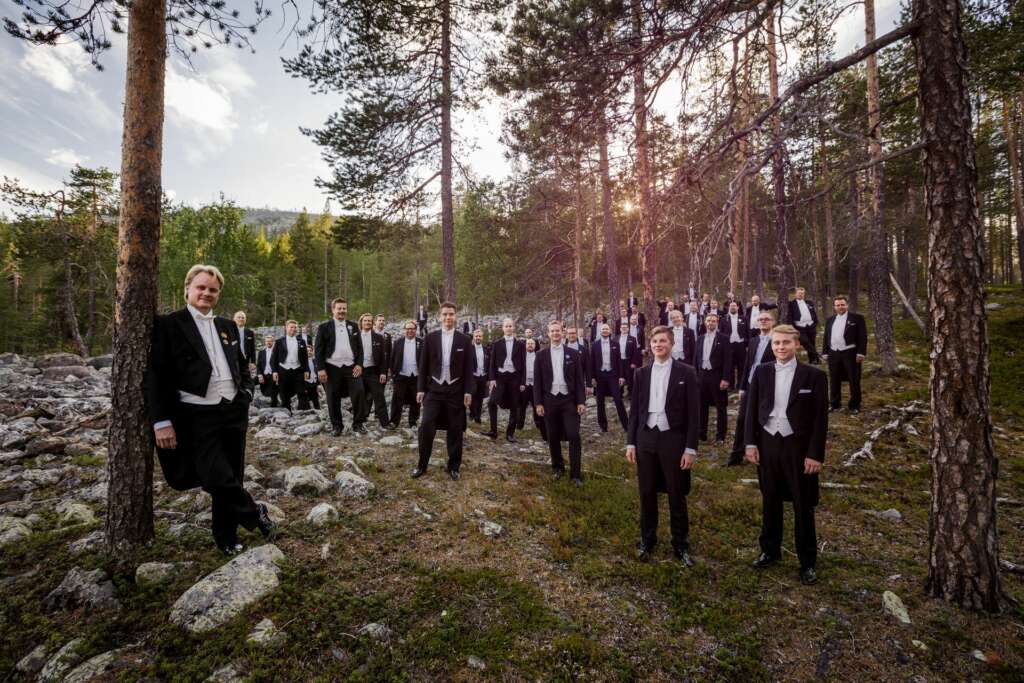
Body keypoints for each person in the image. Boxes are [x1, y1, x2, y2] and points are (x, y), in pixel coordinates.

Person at [146, 264, 275, 556]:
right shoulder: (169, 324)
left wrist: (246, 393)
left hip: (233, 410)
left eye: (213, 290)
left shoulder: (227, 326)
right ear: (187, 289)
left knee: (232, 475)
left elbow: (241, 364)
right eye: (201, 287)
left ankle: (227, 538)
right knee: (215, 475)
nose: (207, 293)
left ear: (218, 294)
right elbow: (157, 375)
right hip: (196, 414)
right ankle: (254, 513)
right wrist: (160, 420)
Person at [744, 324, 828, 585]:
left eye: (786, 342)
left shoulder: (814, 376)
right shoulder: (761, 371)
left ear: (797, 344)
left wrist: (815, 454)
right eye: (776, 343)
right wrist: (750, 443)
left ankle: (807, 561)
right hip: (768, 442)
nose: (781, 347)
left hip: (798, 446)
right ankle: (770, 550)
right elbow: (751, 410)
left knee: (803, 504)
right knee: (770, 499)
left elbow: (820, 420)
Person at [626, 326, 700, 565]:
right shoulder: (641, 373)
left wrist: (690, 448)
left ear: (672, 344)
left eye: (663, 341)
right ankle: (647, 540)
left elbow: (694, 414)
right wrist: (631, 443)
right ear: (650, 345)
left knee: (676, 493)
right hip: (646, 437)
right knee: (646, 492)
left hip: (673, 439)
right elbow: (635, 411)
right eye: (655, 341)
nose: (658, 345)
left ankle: (680, 544)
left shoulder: (686, 372)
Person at [413, 301, 475, 480]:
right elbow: (423, 366)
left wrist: (468, 391)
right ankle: (422, 465)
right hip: (434, 390)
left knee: (455, 429)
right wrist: (420, 389)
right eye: (445, 314)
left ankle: (454, 467)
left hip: (455, 390)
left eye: (451, 314)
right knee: (426, 426)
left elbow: (468, 369)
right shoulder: (430, 338)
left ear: (456, 316)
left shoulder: (465, 340)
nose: (448, 317)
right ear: (440, 317)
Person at [534, 320, 586, 484]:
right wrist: (538, 403)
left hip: (568, 400)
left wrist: (581, 401)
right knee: (553, 435)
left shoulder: (573, 354)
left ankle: (576, 474)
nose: (555, 333)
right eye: (552, 331)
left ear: (562, 333)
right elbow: (537, 381)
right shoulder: (540, 355)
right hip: (549, 400)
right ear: (548, 334)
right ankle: (557, 468)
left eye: (558, 331)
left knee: (573, 435)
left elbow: (579, 379)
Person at [728, 310, 776, 466]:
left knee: (763, 420)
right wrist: (742, 387)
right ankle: (736, 456)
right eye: (760, 319)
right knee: (742, 419)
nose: (763, 321)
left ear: (772, 322)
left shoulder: (777, 340)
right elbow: (748, 365)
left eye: (766, 319)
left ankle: (762, 454)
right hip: (750, 385)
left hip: (768, 386)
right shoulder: (753, 341)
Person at [314, 298, 366, 435]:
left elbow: (360, 348)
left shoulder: (353, 326)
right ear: (333, 310)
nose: (342, 311)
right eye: (339, 308)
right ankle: (337, 426)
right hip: (331, 366)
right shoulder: (324, 327)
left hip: (351, 366)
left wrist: (359, 364)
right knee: (332, 396)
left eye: (344, 308)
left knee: (359, 391)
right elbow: (318, 350)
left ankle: (358, 424)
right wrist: (321, 369)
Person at [822, 295, 867, 413]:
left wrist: (861, 353)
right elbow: (826, 336)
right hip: (833, 353)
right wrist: (825, 352)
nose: (840, 307)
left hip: (850, 352)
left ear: (847, 305)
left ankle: (854, 405)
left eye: (842, 304)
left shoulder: (857, 318)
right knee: (834, 379)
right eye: (838, 305)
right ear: (834, 307)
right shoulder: (830, 320)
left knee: (854, 379)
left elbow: (862, 336)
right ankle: (834, 404)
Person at [485, 318, 526, 443]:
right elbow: (492, 362)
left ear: (513, 328)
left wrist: (522, 382)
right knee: (491, 402)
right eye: (506, 326)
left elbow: (524, 364)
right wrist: (492, 379)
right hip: (500, 377)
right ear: (503, 328)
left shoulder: (520, 345)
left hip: (514, 378)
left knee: (515, 406)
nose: (508, 328)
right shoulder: (497, 343)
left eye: (510, 326)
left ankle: (510, 434)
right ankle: (493, 431)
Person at [695, 313, 732, 444]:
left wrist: (726, 378)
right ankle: (701, 433)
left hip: (717, 376)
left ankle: (720, 436)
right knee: (701, 406)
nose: (710, 323)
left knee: (720, 406)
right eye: (708, 320)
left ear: (717, 323)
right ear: (705, 322)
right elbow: (696, 359)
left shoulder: (724, 338)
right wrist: (695, 376)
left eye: (713, 321)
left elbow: (728, 360)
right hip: (702, 375)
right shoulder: (700, 338)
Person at [590, 323, 629, 433]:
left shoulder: (615, 344)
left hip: (613, 375)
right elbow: (592, 362)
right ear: (600, 331)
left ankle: (627, 426)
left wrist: (621, 376)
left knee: (618, 399)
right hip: (600, 376)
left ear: (610, 331)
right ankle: (603, 427)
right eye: (603, 329)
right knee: (600, 401)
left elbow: (619, 361)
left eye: (607, 329)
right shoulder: (595, 345)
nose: (605, 331)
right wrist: (592, 377)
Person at [357, 313, 390, 429]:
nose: (367, 322)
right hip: (359, 371)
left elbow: (383, 358)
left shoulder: (378, 337)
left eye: (369, 321)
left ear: (372, 323)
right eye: (365, 321)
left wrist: (383, 372)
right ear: (361, 322)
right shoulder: (355, 337)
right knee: (359, 396)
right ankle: (360, 421)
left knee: (379, 396)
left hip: (373, 371)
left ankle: (385, 423)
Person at [271, 320, 310, 412]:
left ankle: (304, 411)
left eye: (295, 327)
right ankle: (286, 411)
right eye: (291, 327)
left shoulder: (302, 341)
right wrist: (274, 371)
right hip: (283, 369)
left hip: (298, 369)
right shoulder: (279, 341)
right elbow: (274, 358)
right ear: (286, 328)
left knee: (302, 391)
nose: (293, 329)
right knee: (284, 392)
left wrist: (307, 370)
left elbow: (305, 357)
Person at [389, 320, 422, 428]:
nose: (410, 331)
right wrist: (393, 374)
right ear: (404, 330)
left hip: (416, 376)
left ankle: (413, 422)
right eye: (408, 329)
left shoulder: (421, 342)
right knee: (397, 399)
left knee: (416, 400)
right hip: (401, 376)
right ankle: (394, 421)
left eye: (412, 329)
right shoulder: (398, 342)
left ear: (415, 330)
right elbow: (392, 358)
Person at [520, 338, 547, 441]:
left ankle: (539, 425)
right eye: (528, 343)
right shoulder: (522, 356)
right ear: (525, 345)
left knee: (537, 405)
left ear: (535, 346)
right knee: (521, 406)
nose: (530, 345)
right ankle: (519, 426)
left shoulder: (539, 356)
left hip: (536, 385)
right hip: (524, 385)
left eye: (532, 343)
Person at [787, 287, 821, 364]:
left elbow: (813, 312)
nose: (801, 295)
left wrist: (815, 323)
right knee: (805, 342)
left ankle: (813, 360)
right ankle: (817, 356)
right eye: (799, 293)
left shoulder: (809, 302)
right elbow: (789, 316)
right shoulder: (791, 303)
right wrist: (792, 327)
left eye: (802, 293)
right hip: (799, 327)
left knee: (812, 343)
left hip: (811, 325)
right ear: (795, 294)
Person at [720, 301, 749, 389]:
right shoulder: (724, 319)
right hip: (729, 345)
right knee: (730, 366)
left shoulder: (744, 318)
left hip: (741, 345)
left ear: (738, 307)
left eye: (734, 306)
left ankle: (740, 385)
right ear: (729, 308)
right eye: (731, 306)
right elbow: (721, 333)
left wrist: (747, 344)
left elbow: (748, 332)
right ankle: (731, 385)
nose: (733, 307)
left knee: (741, 366)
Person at [468, 329, 490, 423]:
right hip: (473, 376)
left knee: (480, 397)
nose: (478, 338)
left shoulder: (486, 349)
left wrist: (488, 378)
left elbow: (489, 364)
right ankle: (472, 414)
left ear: (482, 337)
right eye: (476, 336)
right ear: (473, 337)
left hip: (483, 376)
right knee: (473, 395)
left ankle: (478, 416)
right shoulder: (469, 349)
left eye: (480, 336)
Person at [617, 321, 641, 397]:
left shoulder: (633, 339)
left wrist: (634, 362)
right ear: (620, 329)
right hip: (619, 361)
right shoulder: (615, 338)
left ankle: (630, 394)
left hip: (629, 361)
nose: (624, 329)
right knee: (619, 376)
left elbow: (635, 352)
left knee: (629, 377)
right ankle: (619, 393)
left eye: (625, 328)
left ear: (628, 329)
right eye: (622, 327)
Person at [255, 335, 278, 407]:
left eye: (270, 341)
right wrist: (259, 375)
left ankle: (274, 407)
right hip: (263, 375)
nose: (268, 342)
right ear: (265, 342)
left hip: (273, 375)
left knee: (273, 392)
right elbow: (258, 365)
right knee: (251, 382)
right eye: (267, 341)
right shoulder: (261, 352)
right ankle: (249, 401)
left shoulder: (277, 352)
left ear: (273, 342)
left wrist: (276, 373)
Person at [304, 342, 321, 409]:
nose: (309, 352)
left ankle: (318, 410)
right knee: (306, 400)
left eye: (310, 351)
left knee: (316, 399)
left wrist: (318, 384)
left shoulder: (315, 361)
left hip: (314, 382)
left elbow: (317, 372)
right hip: (306, 383)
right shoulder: (303, 362)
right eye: (307, 351)